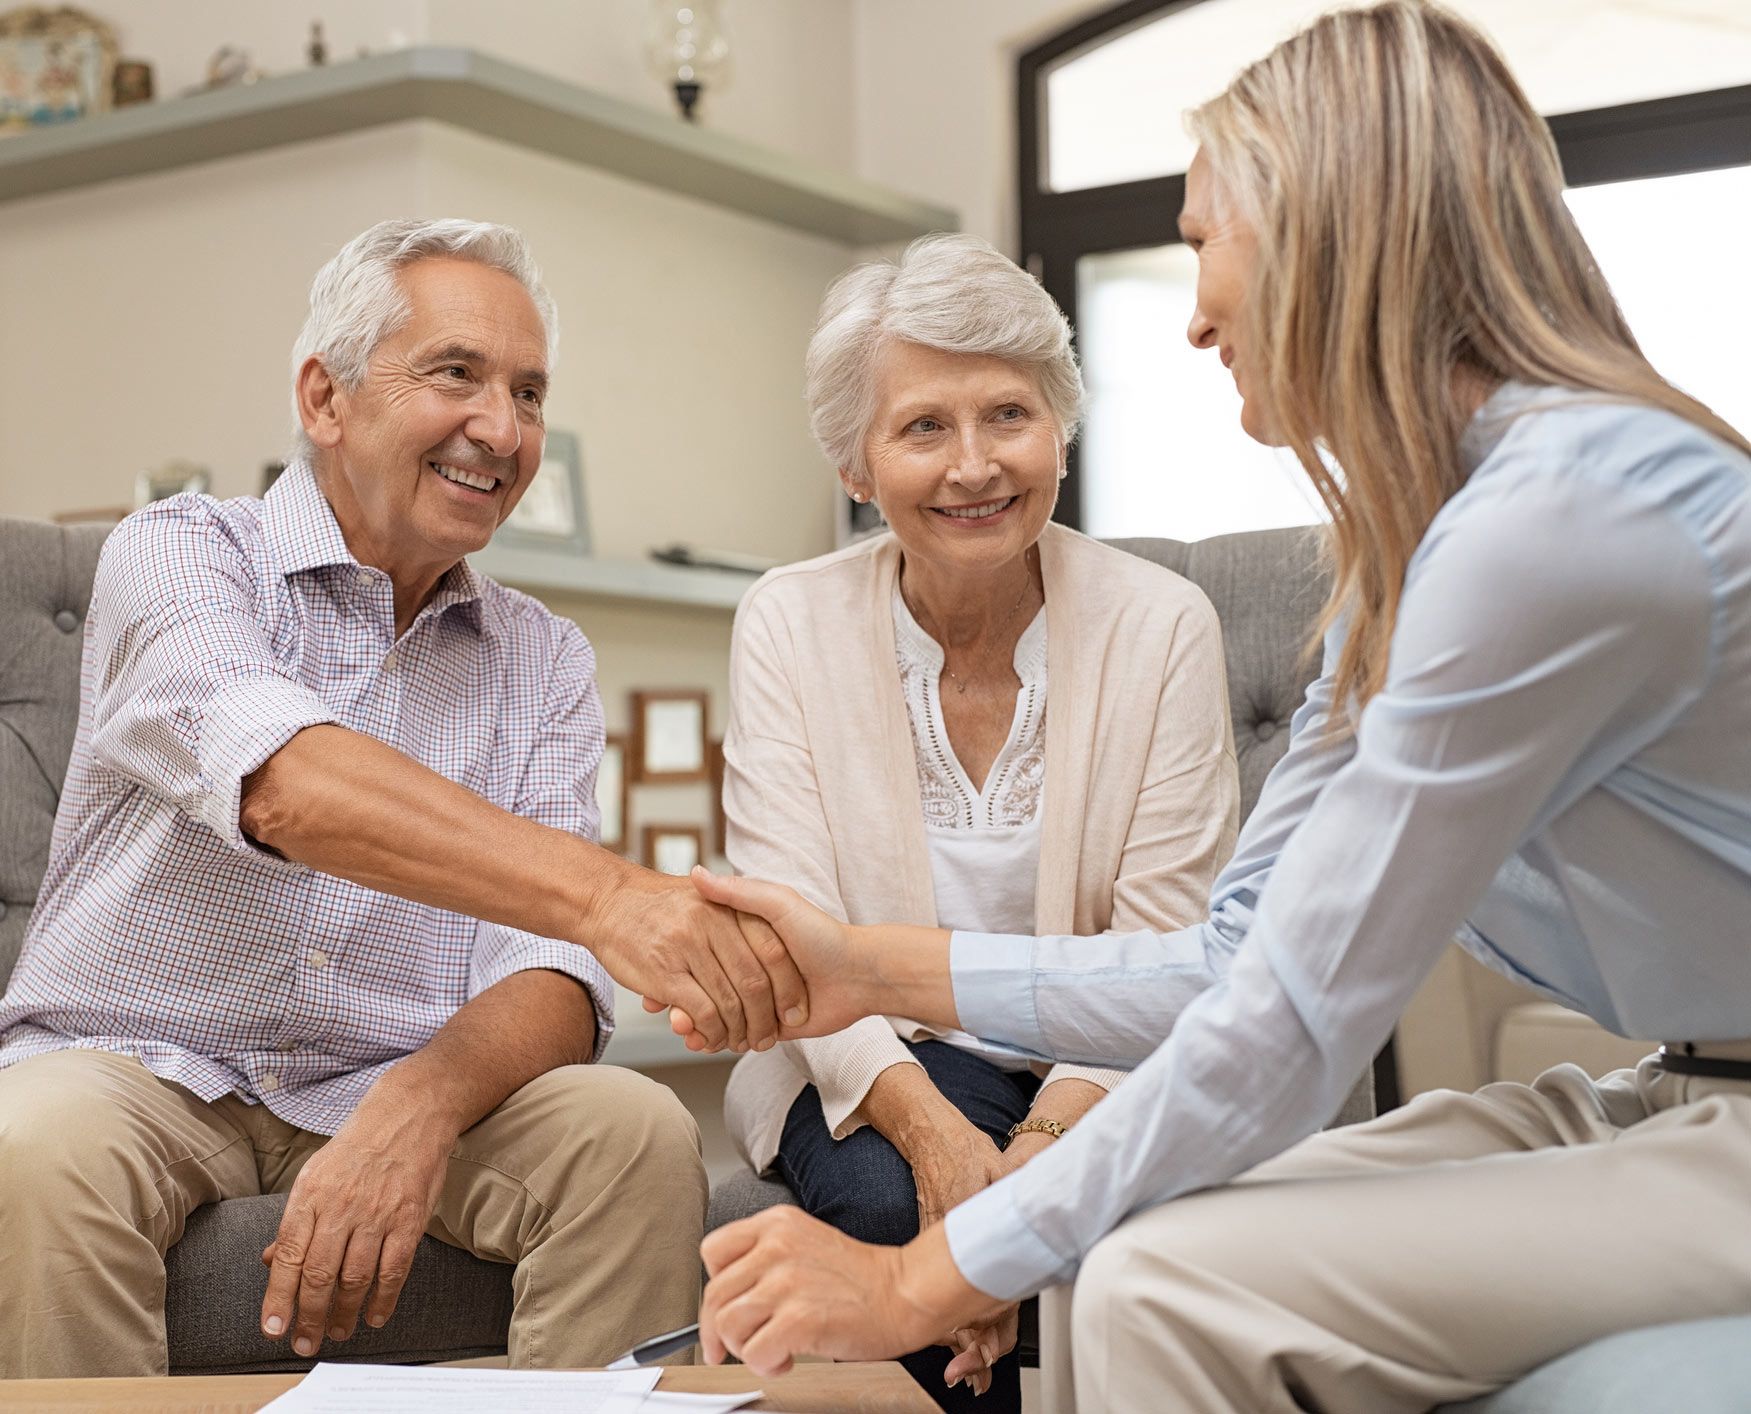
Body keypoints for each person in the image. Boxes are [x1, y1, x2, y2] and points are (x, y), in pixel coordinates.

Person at [679, 4, 1751, 1409]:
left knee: (1146, 1276)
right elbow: (1230, 955)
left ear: (1318, 234)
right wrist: (865, 968)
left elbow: (1293, 1022)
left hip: (1721, 1120)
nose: (1189, 315)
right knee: (1130, 1241)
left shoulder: (1555, 523)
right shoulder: (1415, 551)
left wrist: (911, 1284)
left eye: (1198, 241)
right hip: (1669, 1090)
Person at [0, 218, 807, 1377]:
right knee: (31, 1147)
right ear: (324, 398)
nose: (503, 428)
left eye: (528, 393)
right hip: (134, 1063)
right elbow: (280, 781)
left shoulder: (543, 656)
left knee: (630, 1131)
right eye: (457, 375)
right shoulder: (177, 554)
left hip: (392, 1069)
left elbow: (551, 975)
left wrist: (420, 1104)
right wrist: (616, 901)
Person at [716, 233, 1238, 1409]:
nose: (972, 466)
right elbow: (795, 944)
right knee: (902, 1210)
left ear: (1059, 424)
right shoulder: (785, 623)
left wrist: (1033, 1165)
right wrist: (953, 1154)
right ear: (856, 463)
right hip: (866, 1066)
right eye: (921, 428)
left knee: (1103, 1243)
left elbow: (1165, 946)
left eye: (1007, 414)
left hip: (1098, 1064)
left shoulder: (1162, 626)